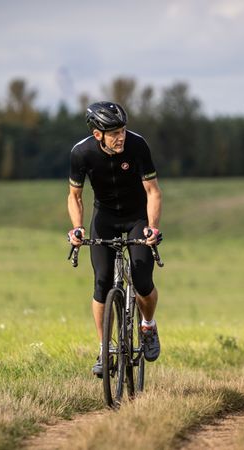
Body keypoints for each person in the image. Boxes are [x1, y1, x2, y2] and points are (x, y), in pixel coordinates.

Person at [67, 101, 162, 377]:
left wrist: (152, 228)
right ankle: (104, 348)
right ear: (98, 134)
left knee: (143, 279)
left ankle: (148, 326)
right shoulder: (81, 153)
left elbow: (153, 191)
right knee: (101, 281)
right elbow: (75, 196)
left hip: (137, 217)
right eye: (114, 132)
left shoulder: (138, 146)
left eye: (122, 130)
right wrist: (77, 228)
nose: (121, 136)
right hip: (104, 218)